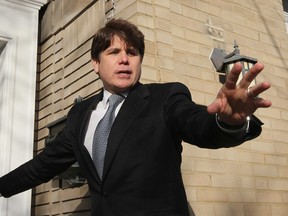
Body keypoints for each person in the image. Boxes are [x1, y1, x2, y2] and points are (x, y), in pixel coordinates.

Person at [0, 19, 271, 216]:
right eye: (114, 52)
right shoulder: (80, 115)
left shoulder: (165, 98)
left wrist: (227, 121)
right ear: (96, 64)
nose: (124, 60)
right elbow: (43, 165)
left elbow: (196, 122)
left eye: (132, 53)